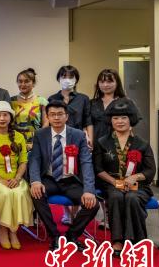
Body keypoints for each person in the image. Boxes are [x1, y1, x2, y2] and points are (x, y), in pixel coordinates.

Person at [28, 100, 98, 250]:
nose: (56, 118)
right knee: (36, 194)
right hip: (49, 179)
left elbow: (86, 163)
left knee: (93, 204)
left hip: (71, 180)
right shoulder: (40, 135)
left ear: (67, 116)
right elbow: (34, 160)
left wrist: (89, 190)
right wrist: (35, 181)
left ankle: (71, 236)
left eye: (60, 114)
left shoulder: (79, 135)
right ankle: (54, 236)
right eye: (52, 114)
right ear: (47, 117)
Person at [93, 98, 156, 257]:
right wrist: (114, 182)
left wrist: (135, 177)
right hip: (112, 184)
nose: (119, 121)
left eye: (123, 117)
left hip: (138, 186)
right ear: (110, 120)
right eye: (115, 118)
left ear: (131, 119)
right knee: (115, 196)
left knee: (132, 198)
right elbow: (98, 169)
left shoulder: (142, 143)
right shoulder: (102, 142)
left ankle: (138, 241)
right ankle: (118, 240)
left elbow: (150, 170)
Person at [0, 101, 33, 250]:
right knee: (6, 194)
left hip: (15, 177)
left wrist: (17, 178)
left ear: (10, 118)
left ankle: (14, 231)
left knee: (20, 192)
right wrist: (1, 180)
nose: (2, 118)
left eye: (5, 115)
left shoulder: (19, 137)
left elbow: (23, 162)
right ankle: (3, 230)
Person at [47, 65, 92, 226]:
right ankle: (66, 212)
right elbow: (48, 121)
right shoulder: (52, 98)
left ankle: (75, 210)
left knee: (75, 175)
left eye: (71, 77)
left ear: (76, 80)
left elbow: (88, 121)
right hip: (59, 140)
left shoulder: (83, 99)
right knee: (61, 173)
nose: (67, 80)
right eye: (64, 76)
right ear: (58, 79)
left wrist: (90, 139)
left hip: (78, 140)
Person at [90, 69, 140, 142]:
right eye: (102, 82)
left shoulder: (126, 102)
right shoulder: (92, 103)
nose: (105, 85)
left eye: (109, 82)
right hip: (95, 143)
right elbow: (87, 125)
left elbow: (132, 124)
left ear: (117, 83)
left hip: (118, 143)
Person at [10, 68, 48, 151]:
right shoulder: (11, 101)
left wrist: (36, 141)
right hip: (15, 143)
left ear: (33, 83)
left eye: (26, 81)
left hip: (36, 142)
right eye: (20, 81)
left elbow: (46, 124)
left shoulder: (42, 101)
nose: (23, 84)